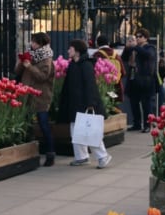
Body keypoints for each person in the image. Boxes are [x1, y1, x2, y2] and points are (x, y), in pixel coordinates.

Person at [56, 38, 111, 168]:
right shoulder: (74, 64)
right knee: (76, 132)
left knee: (89, 131)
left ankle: (103, 156)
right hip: (75, 104)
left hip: (84, 104)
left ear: (77, 51)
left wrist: (90, 103)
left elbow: (90, 85)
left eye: (71, 48)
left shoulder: (85, 65)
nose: (68, 50)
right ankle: (81, 157)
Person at [15, 32, 56, 167]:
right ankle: (28, 153)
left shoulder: (46, 57)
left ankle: (50, 154)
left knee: (43, 124)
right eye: (32, 42)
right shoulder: (29, 54)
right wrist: (21, 63)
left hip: (40, 96)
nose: (31, 44)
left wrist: (30, 67)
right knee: (25, 124)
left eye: (34, 42)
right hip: (26, 94)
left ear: (41, 44)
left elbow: (43, 77)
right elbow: (17, 72)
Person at [128, 28, 157, 133]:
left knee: (146, 104)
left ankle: (147, 124)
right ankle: (136, 123)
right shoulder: (134, 49)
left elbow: (147, 55)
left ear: (145, 38)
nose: (138, 38)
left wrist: (136, 47)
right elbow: (125, 57)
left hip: (145, 80)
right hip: (134, 79)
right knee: (134, 102)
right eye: (137, 37)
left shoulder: (150, 48)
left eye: (140, 36)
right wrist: (129, 48)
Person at [121, 34, 139, 130]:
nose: (131, 41)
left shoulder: (139, 49)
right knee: (132, 100)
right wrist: (127, 47)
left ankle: (142, 122)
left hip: (139, 76)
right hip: (131, 76)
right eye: (129, 40)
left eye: (133, 40)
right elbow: (123, 58)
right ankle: (135, 122)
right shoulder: (127, 50)